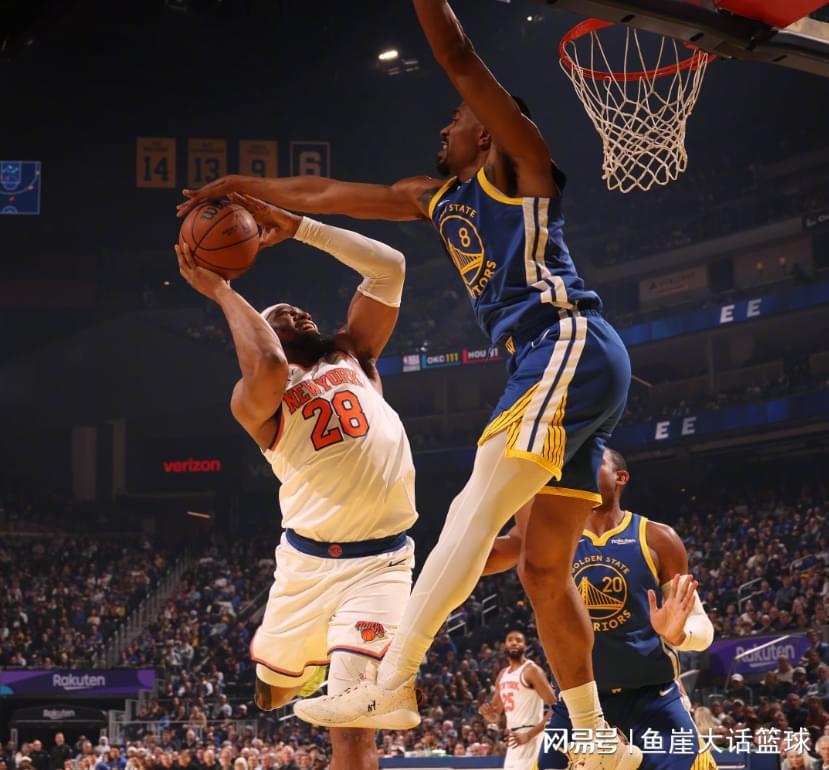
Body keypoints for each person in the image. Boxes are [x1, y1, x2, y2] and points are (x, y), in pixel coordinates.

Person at [180, 3, 632, 766]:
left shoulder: (520, 164)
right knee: (540, 568)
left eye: (456, 119)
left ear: (487, 130)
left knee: (474, 505)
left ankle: (393, 680)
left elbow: (456, 53)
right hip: (548, 361)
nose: (444, 127)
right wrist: (253, 192)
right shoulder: (435, 196)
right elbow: (324, 192)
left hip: (564, 340)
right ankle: (596, 740)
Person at [174, 197, 419, 770]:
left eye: (301, 310)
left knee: (352, 732)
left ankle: (336, 664)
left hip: (380, 566)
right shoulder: (257, 398)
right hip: (305, 569)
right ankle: (300, 668)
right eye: (283, 315)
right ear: (264, 330)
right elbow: (266, 363)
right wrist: (221, 291)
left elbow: (390, 268)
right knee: (272, 692)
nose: (301, 314)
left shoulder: (354, 355)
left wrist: (304, 228)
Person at [483, 448, 717, 770]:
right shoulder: (551, 539)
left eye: (595, 459)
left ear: (621, 477)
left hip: (652, 697)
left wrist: (679, 635)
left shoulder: (659, 538)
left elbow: (701, 627)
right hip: (580, 703)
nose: (581, 466)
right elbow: (481, 560)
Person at [478, 630, 556, 770]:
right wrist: (487, 714)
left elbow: (556, 707)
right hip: (513, 739)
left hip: (531, 736)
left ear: (525, 647)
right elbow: (495, 715)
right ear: (504, 646)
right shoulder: (502, 674)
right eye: (510, 640)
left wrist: (529, 735)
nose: (514, 643)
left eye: (519, 640)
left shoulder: (532, 670)